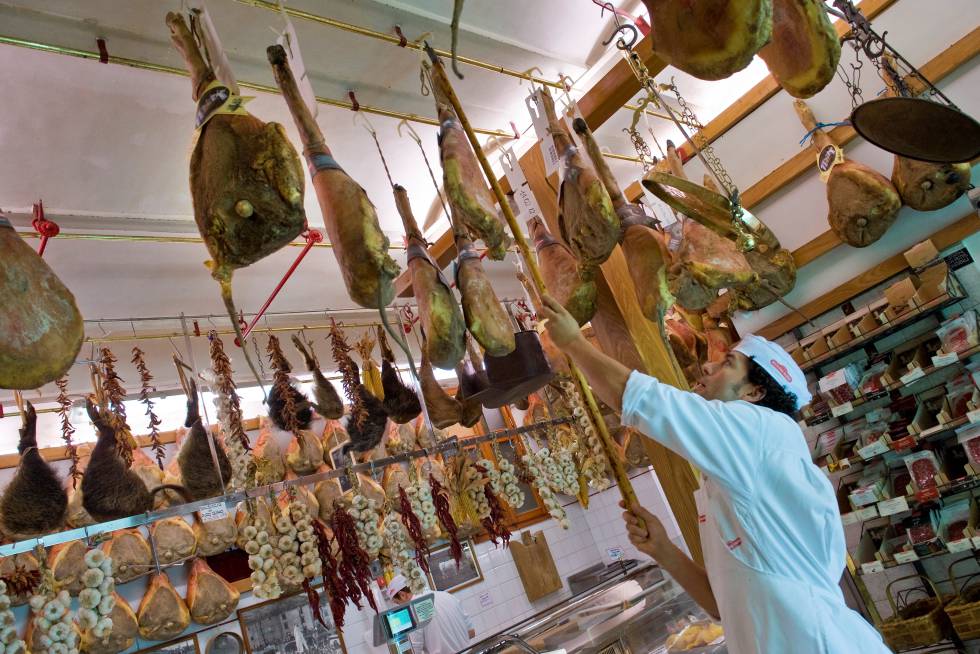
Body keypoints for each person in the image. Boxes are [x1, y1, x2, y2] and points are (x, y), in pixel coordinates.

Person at [537, 295, 890, 654]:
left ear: (755, 392)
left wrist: (574, 344)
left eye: (727, 363)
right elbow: (724, 607)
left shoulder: (763, 430)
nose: (707, 367)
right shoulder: (733, 473)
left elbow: (645, 402)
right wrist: (663, 550)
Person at [387, 575, 475, 654]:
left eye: (398, 603)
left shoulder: (414, 609)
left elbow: (414, 651)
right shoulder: (447, 596)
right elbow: (471, 632)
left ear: (402, 595)